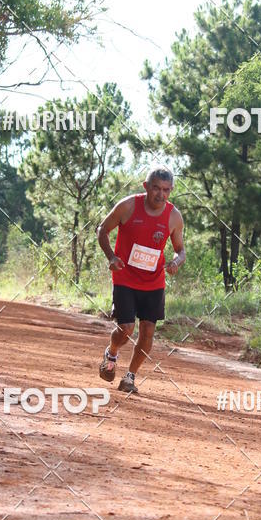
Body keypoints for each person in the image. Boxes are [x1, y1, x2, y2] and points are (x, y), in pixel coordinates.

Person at [96, 166, 185, 394]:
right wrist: (111, 256)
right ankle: (112, 352)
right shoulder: (128, 206)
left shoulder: (174, 216)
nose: (160, 194)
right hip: (125, 276)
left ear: (171, 190)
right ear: (146, 187)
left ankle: (130, 377)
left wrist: (175, 262)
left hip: (154, 281)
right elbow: (102, 230)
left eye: (166, 190)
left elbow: (180, 250)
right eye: (156, 188)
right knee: (126, 328)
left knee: (147, 332)